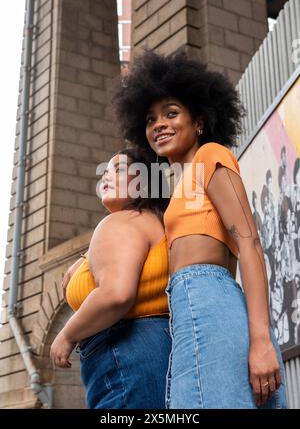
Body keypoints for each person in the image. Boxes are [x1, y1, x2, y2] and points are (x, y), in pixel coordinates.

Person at [112, 49, 288, 409]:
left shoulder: (211, 156)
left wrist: (261, 339)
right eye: (150, 119)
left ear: (200, 122)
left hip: (208, 300)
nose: (158, 124)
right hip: (194, 307)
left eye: (171, 113)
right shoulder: (179, 188)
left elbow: (250, 245)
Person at [50, 148, 172, 409]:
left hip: (125, 354)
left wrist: (66, 335)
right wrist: (85, 258)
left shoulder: (119, 223)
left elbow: (116, 294)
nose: (106, 176)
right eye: (105, 171)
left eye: (118, 169)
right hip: (154, 352)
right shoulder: (153, 222)